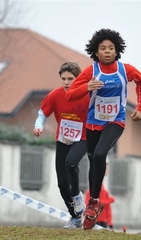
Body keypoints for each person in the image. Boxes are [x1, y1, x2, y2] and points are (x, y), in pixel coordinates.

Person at [65, 28, 141, 230]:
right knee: (93, 161)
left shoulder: (124, 69)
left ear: (117, 51)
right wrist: (87, 87)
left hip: (115, 121)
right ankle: (93, 204)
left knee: (101, 154)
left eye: (111, 48)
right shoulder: (90, 71)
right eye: (103, 48)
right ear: (96, 52)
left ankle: (93, 202)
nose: (108, 51)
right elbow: (70, 95)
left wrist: (140, 107)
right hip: (94, 123)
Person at [33, 62, 89, 229]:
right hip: (63, 139)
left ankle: (77, 195)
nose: (66, 82)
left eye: (70, 79)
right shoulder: (55, 95)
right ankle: (75, 216)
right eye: (63, 79)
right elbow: (42, 114)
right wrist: (39, 126)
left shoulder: (88, 95)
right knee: (62, 184)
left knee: (71, 162)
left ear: (78, 79)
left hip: (83, 138)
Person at [85, 161, 114, 228]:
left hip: (103, 221)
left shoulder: (103, 188)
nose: (108, 171)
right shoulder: (94, 188)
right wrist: (110, 200)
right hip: (95, 220)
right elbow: (97, 202)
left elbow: (107, 208)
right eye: (106, 168)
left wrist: (110, 222)